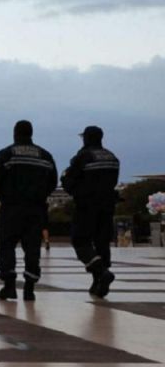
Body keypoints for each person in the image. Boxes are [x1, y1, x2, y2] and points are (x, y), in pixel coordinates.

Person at [0, 120, 57, 301]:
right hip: (36, 209)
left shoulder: (6, 154)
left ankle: (9, 286)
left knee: (6, 246)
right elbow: (52, 182)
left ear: (15, 133)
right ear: (31, 133)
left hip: (12, 208)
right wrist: (39, 197)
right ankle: (29, 288)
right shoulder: (45, 156)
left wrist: (7, 198)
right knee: (33, 247)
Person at [61, 125, 120, 298]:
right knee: (102, 242)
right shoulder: (112, 157)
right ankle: (98, 280)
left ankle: (101, 272)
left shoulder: (83, 157)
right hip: (107, 205)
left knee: (80, 240)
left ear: (86, 138)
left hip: (87, 205)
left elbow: (69, 178)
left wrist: (74, 190)